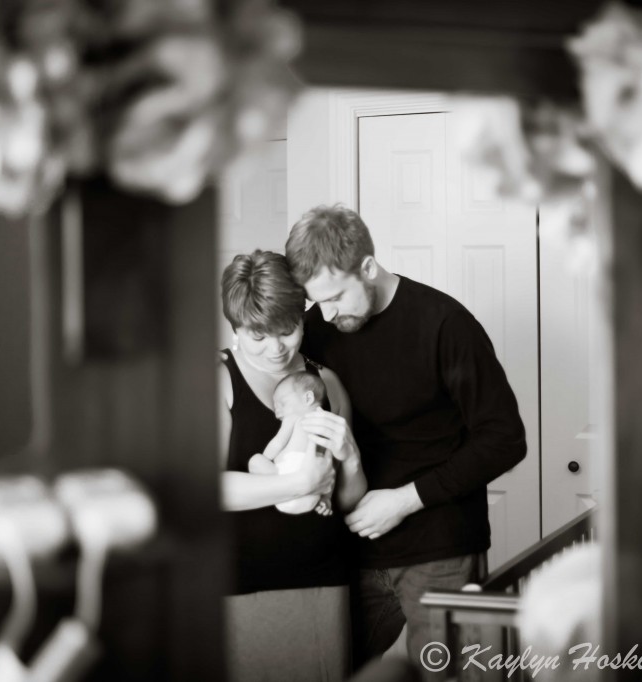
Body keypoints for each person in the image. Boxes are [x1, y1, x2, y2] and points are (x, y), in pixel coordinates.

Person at [285, 205, 528, 671]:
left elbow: (504, 438)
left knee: (452, 676)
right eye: (318, 302)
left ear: (369, 268)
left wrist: (404, 500)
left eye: (336, 296)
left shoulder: (445, 324)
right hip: (349, 547)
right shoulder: (318, 329)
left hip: (440, 549)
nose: (327, 314)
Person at [218, 249, 367, 682]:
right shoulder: (220, 378)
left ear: (304, 316)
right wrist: (299, 483)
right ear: (236, 329)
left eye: (286, 330)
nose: (275, 348)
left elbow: (346, 500)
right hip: (241, 580)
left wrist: (352, 459)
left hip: (322, 576)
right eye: (257, 336)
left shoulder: (326, 382)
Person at [248, 371, 333, 516]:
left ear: (307, 398)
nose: (277, 411)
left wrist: (266, 459)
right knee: (327, 469)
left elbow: (278, 443)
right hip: (312, 496)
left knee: (255, 460)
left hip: (286, 481)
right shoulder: (328, 423)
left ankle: (269, 480)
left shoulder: (294, 418)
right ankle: (323, 501)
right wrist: (326, 497)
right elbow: (330, 463)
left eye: (282, 403)